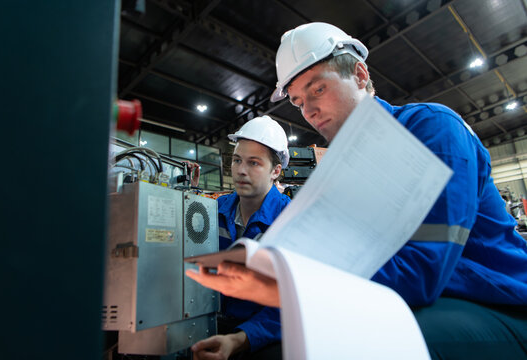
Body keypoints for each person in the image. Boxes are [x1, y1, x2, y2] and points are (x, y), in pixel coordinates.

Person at [186, 22, 527, 358]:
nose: (308, 111)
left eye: (317, 89)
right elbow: (332, 269)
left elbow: (423, 270)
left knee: (372, 347)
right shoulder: (342, 176)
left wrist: (287, 287)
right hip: (431, 302)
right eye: (298, 100)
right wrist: (247, 336)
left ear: (360, 76)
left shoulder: (432, 129)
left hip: (498, 302)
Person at [186, 115, 291, 360]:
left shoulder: (289, 222)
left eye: (254, 163)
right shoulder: (214, 210)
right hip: (213, 324)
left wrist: (240, 339)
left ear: (276, 171)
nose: (241, 171)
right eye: (236, 160)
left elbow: (291, 304)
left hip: (262, 333)